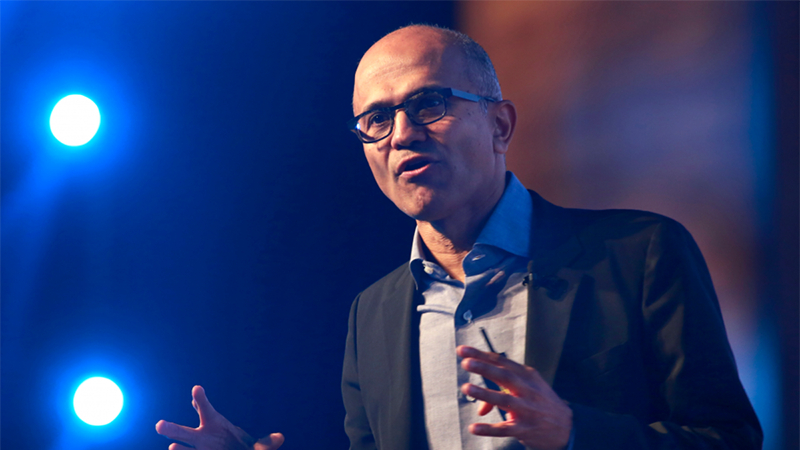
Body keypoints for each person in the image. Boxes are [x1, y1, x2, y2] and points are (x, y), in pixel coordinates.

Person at [156, 25, 762, 450]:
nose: (401, 134)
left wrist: (574, 432)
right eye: (376, 119)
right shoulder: (373, 312)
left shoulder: (639, 253)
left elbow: (728, 440)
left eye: (428, 104)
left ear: (500, 125)